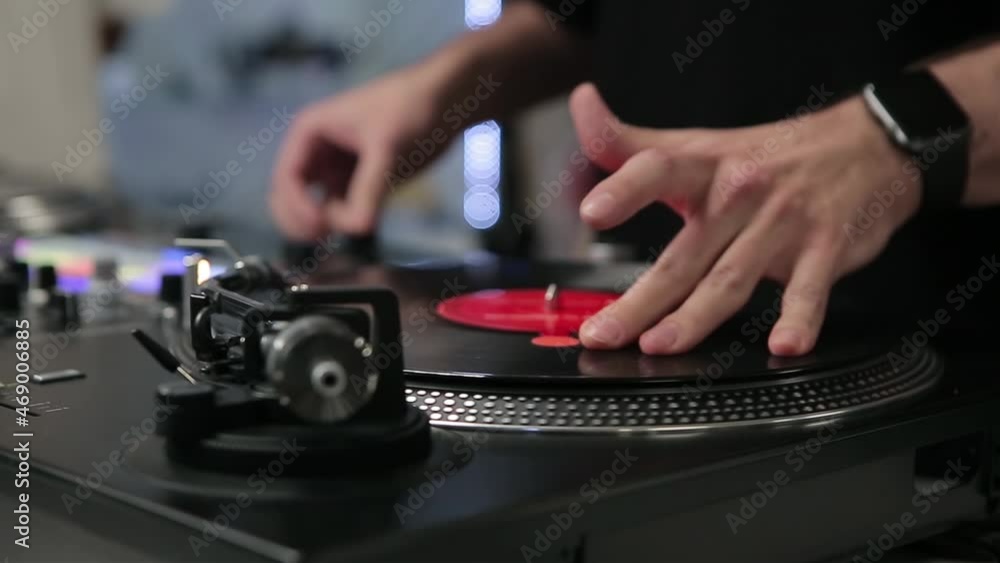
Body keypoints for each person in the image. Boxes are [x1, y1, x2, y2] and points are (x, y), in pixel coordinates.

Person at [269, 0, 1000, 358]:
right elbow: (586, 16)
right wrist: (455, 81)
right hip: (640, 350)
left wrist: (895, 134)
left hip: (929, 372)